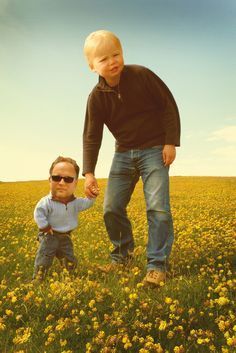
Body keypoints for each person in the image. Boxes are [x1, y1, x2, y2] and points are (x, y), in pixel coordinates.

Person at [83, 30, 180, 286]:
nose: (112, 61)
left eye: (116, 54)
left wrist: (170, 142)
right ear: (92, 66)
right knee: (111, 208)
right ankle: (122, 257)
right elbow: (92, 135)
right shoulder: (96, 98)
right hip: (124, 153)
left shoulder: (141, 75)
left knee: (158, 208)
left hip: (155, 149)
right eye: (104, 59)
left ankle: (157, 266)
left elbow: (168, 106)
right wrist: (89, 172)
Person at [33, 156, 97, 280]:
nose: (61, 182)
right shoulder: (46, 202)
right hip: (49, 235)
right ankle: (38, 278)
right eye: (56, 178)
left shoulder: (76, 202)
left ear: (76, 183)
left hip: (66, 236)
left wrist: (92, 195)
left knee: (69, 257)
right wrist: (45, 227)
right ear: (50, 180)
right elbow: (38, 214)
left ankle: (70, 277)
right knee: (45, 257)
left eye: (68, 179)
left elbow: (87, 203)